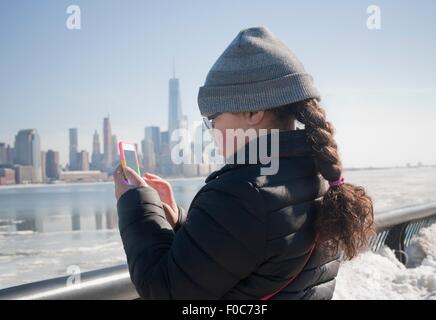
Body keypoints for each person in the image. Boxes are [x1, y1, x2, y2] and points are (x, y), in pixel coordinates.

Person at [113, 26, 374, 299]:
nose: (212, 130)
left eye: (213, 117)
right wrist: (180, 221)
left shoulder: (244, 193)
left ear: (253, 111)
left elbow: (164, 290)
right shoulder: (318, 176)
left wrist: (136, 204)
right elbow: (249, 253)